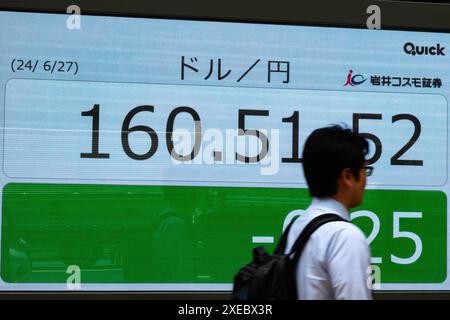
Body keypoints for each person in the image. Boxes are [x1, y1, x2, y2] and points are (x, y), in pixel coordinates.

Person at [285, 124, 373, 300]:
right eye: (364, 170)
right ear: (347, 177)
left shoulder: (297, 226)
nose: (366, 180)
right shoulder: (345, 236)